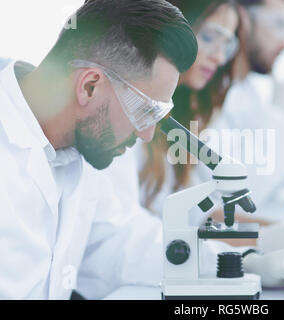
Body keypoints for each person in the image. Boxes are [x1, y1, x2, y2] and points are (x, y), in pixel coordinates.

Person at [125, 0, 284, 297]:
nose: (219, 57)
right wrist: (253, 250)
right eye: (208, 37)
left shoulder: (185, 112)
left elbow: (200, 214)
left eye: (227, 44)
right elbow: (127, 240)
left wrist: (265, 237)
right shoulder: (128, 116)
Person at [0, 0, 198, 299]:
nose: (146, 134)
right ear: (90, 86)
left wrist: (238, 260)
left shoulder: (74, 152)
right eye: (144, 112)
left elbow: (118, 241)